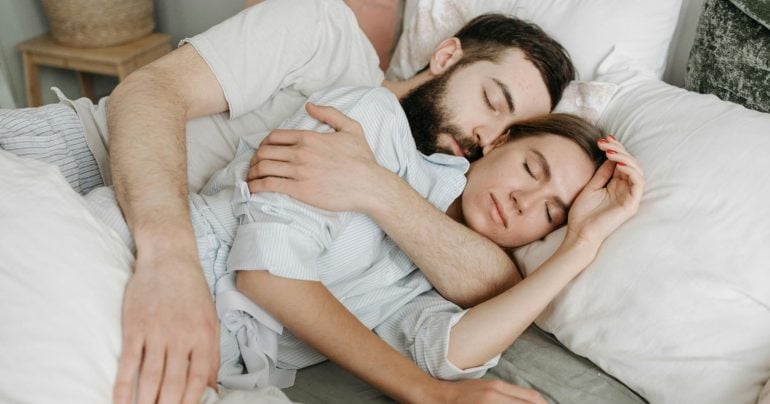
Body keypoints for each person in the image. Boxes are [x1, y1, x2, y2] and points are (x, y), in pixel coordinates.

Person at [1, 1, 577, 402]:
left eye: (509, 134)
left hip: (170, 270)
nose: (485, 136)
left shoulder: (420, 200)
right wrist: (169, 261)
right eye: (492, 101)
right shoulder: (328, 42)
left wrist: (585, 239)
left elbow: (483, 296)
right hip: (75, 163)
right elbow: (150, 91)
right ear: (447, 56)